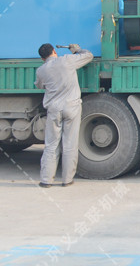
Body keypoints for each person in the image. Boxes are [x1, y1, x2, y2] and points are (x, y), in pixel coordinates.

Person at [35, 43, 92, 187]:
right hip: (72, 107)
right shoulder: (67, 60)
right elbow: (88, 56)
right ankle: (67, 180)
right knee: (70, 144)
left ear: (42, 58)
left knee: (51, 145)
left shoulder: (41, 70)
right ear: (54, 51)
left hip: (54, 109)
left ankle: (46, 180)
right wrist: (78, 50)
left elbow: (40, 85)